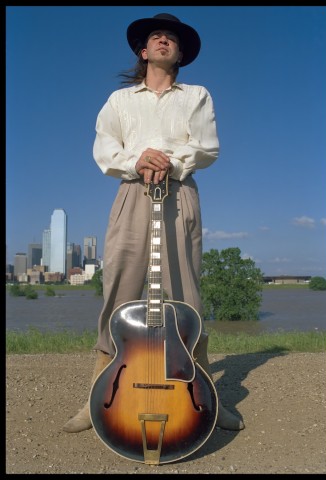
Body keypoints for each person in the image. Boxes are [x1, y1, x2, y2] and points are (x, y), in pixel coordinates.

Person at [63, 12, 244, 434]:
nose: (164, 41)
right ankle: (97, 396)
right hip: (132, 194)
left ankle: (205, 398)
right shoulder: (119, 101)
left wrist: (168, 161)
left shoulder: (197, 95)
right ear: (143, 52)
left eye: (171, 38)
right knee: (120, 290)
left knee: (187, 295)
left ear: (179, 53)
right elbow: (105, 150)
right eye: (156, 37)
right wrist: (137, 159)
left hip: (180, 193)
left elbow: (206, 147)